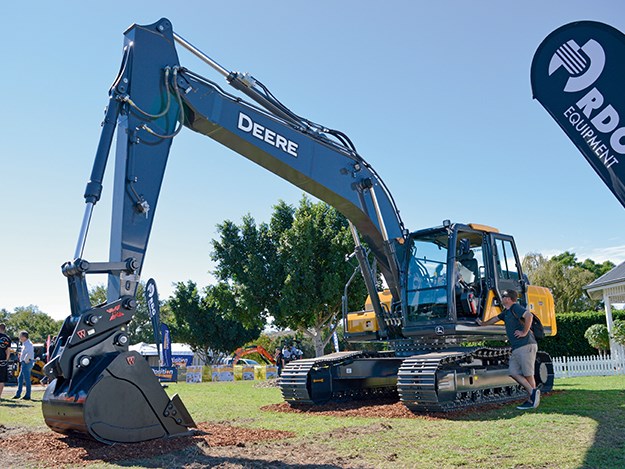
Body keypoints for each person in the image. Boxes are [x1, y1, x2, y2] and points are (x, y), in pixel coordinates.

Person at [476, 289, 540, 410]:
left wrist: (524, 332)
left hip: (526, 345)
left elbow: (529, 316)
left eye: (504, 296)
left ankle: (531, 400)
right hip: (517, 347)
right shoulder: (506, 312)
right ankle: (533, 392)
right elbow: (494, 319)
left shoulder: (516, 308)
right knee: (513, 372)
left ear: (509, 299)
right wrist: (483, 324)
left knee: (528, 374)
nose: (502, 297)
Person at [13, 331, 34, 400]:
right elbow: (26, 352)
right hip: (25, 363)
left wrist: (25, 360)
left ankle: (27, 395)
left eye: (20, 336)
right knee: (20, 378)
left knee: (27, 379)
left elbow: (30, 353)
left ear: (24, 337)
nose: (20, 338)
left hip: (26, 363)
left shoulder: (28, 344)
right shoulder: (25, 343)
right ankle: (18, 394)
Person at [0, 324, 11, 400]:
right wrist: (6, 360)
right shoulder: (7, 338)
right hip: (2, 361)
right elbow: (8, 351)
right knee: (1, 380)